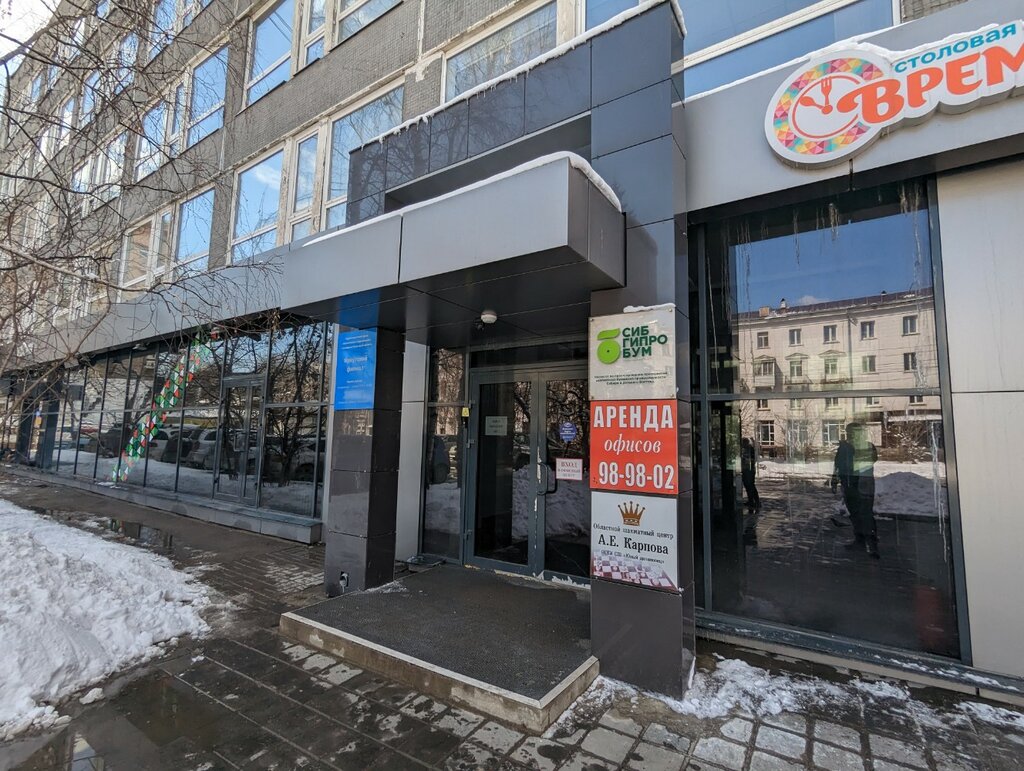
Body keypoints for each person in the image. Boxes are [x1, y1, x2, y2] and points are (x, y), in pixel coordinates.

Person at [832, 422, 879, 558]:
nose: (851, 435)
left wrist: (854, 451)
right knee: (854, 514)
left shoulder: (868, 446)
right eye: (849, 433)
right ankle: (859, 540)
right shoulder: (843, 448)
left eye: (854, 432)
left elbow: (869, 462)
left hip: (863, 486)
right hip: (848, 486)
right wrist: (834, 480)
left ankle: (872, 544)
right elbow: (837, 465)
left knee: (866, 514)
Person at [740, 437, 760, 510]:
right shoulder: (745, 450)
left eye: (743, 443)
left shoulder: (750, 449)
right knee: (748, 486)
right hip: (746, 470)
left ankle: (756, 501)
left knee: (750, 486)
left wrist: (744, 460)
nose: (742, 445)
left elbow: (751, 460)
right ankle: (751, 500)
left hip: (749, 470)